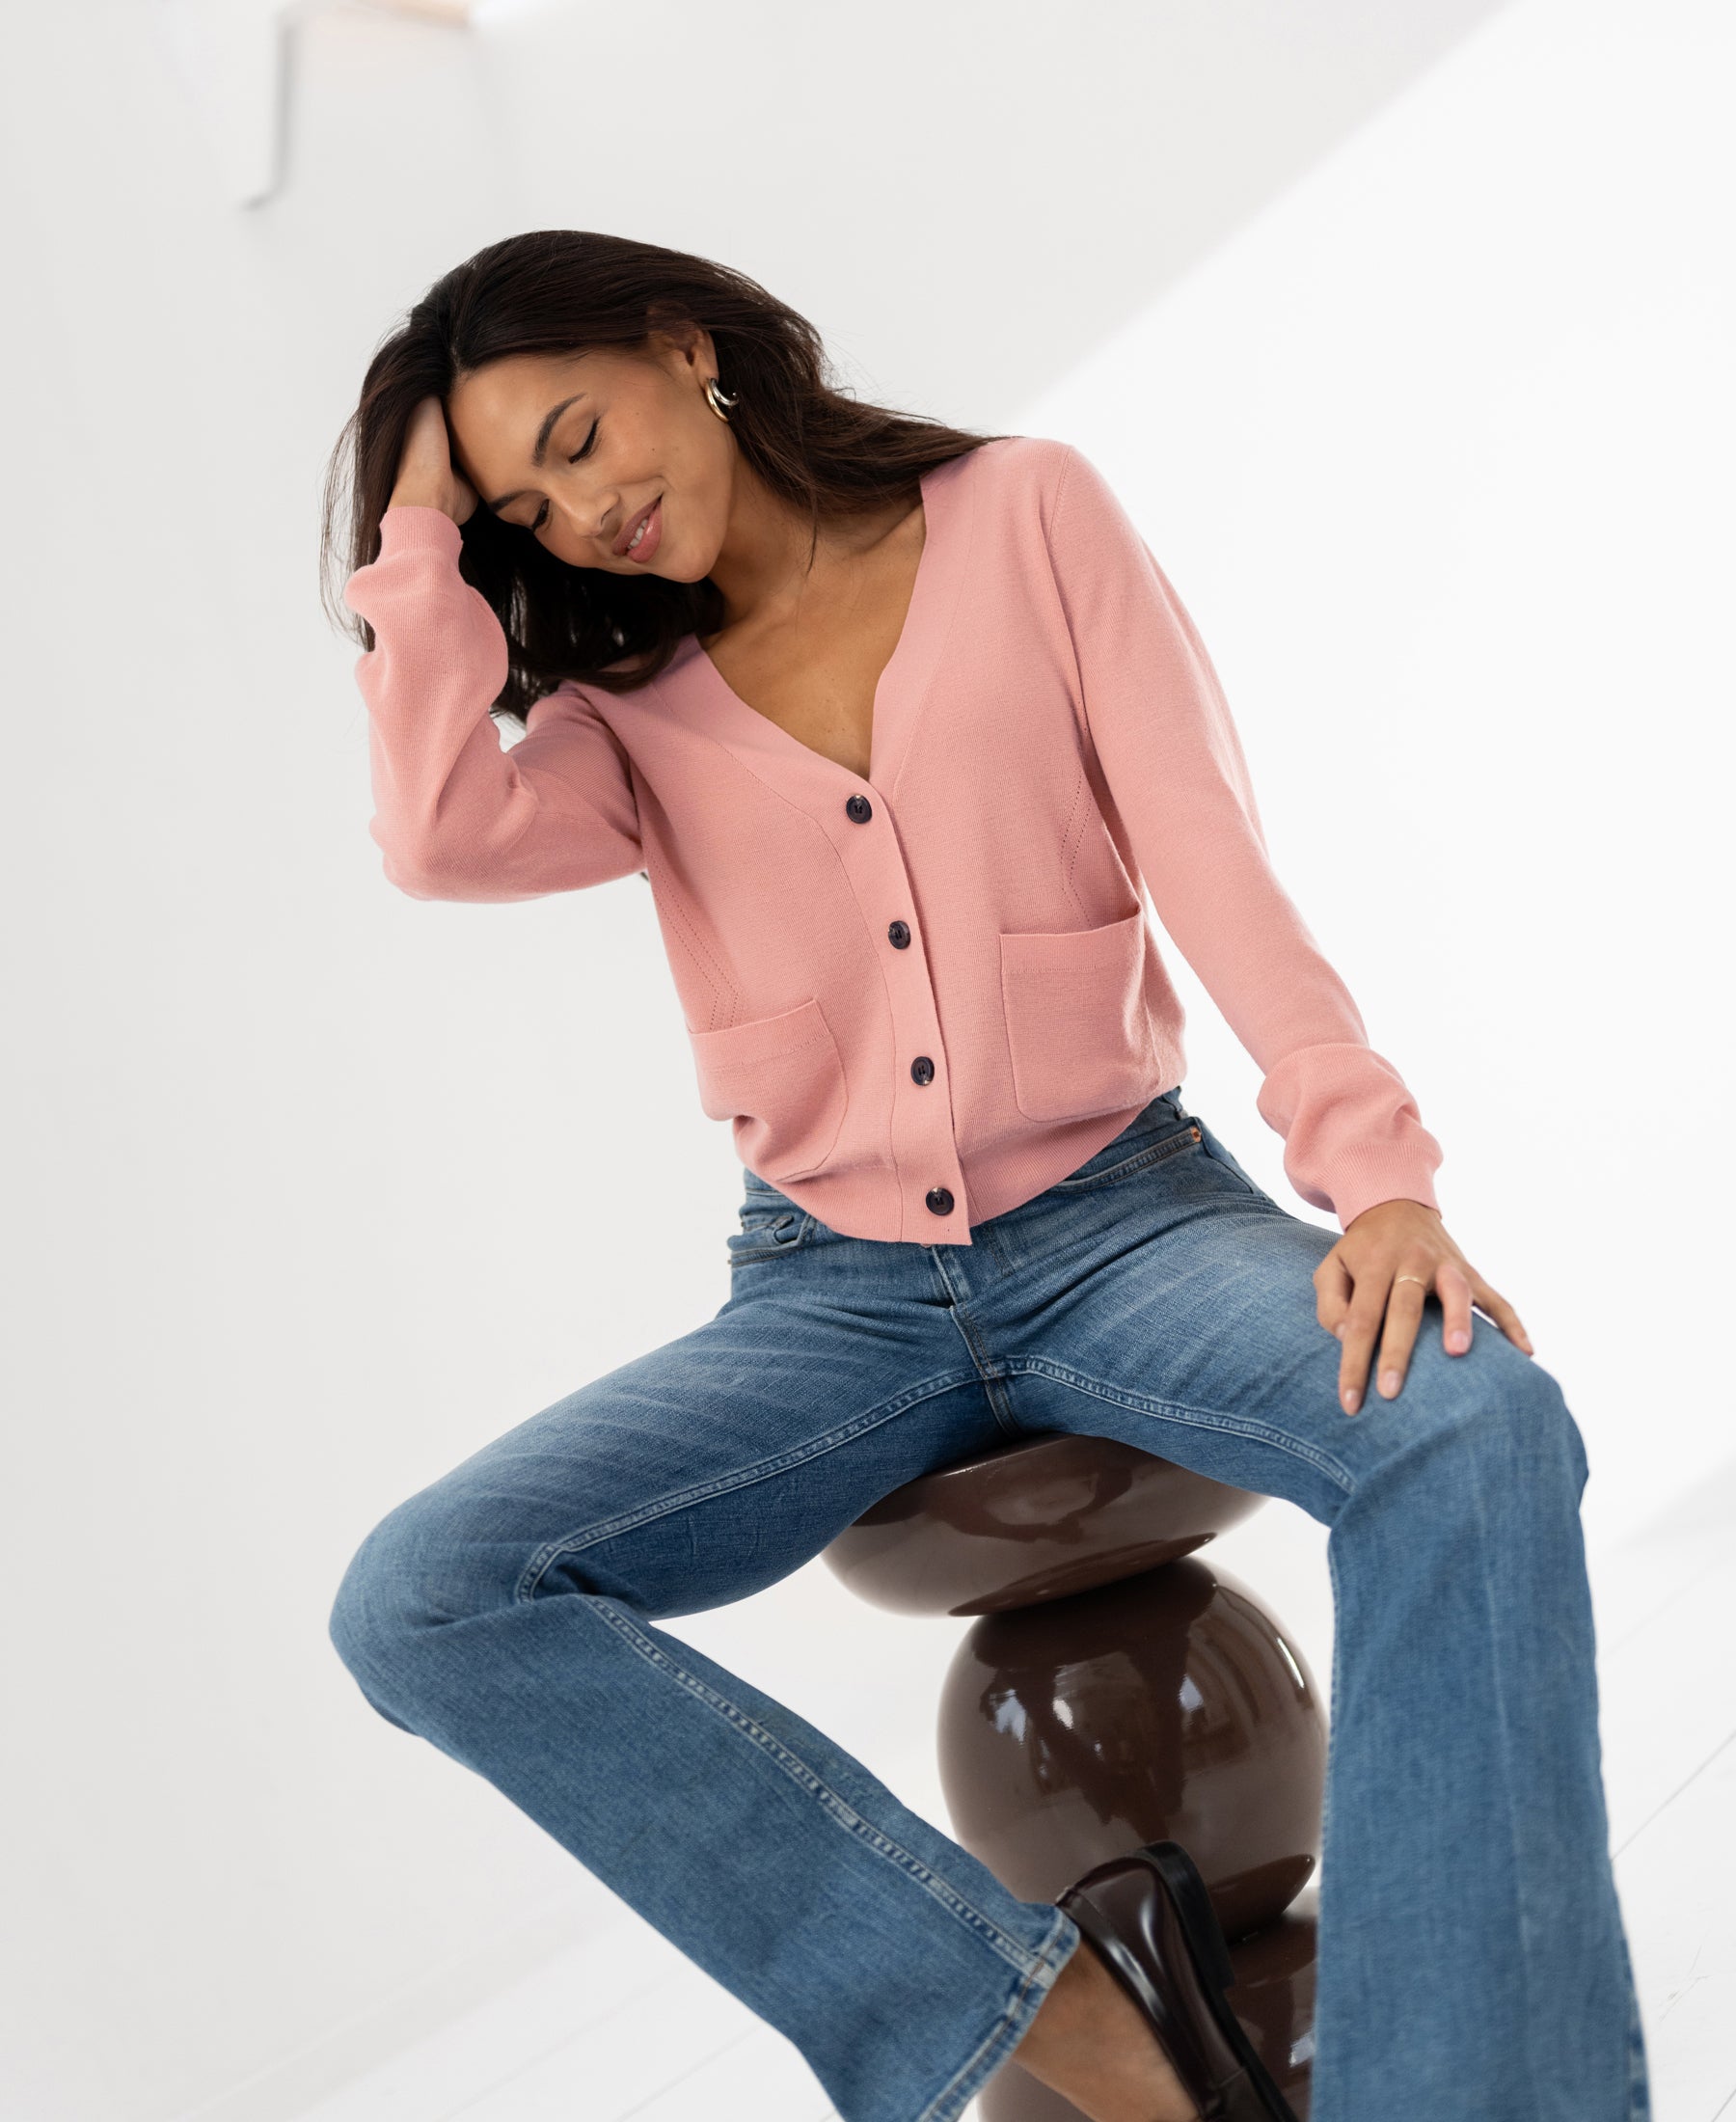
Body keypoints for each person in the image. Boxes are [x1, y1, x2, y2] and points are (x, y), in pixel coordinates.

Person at [320, 230, 1646, 2122]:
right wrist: (421, 548)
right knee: (422, 1596)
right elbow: (436, 836)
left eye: (580, 436)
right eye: (527, 504)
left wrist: (1378, 1179)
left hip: (1127, 1222)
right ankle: (1033, 2010)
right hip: (831, 1296)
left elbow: (1207, 852)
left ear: (683, 347)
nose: (584, 511)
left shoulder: (1028, 516)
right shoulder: (618, 716)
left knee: (1476, 1419)